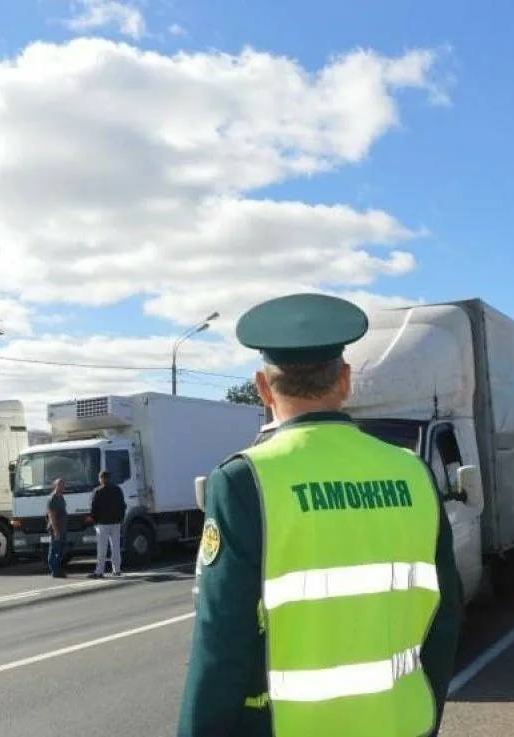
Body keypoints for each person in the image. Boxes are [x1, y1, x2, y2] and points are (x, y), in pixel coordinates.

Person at [177, 293, 462, 737]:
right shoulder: (414, 472)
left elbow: (222, 643)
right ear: (345, 380)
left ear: (262, 387)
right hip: (403, 723)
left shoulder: (244, 480)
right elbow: (444, 616)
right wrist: (424, 714)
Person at [88, 470, 125, 578]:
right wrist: (120, 519)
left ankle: (99, 571)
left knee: (102, 548)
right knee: (116, 547)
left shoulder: (97, 491)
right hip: (116, 522)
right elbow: (122, 506)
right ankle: (117, 570)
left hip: (102, 523)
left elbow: (93, 508)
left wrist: (95, 521)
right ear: (109, 478)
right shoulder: (117, 490)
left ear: (100, 479)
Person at [46, 478, 68, 578]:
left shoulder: (61, 497)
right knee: (55, 549)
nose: (62, 487)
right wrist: (56, 531)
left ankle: (58, 569)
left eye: (63, 485)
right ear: (55, 486)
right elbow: (52, 516)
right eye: (60, 485)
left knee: (61, 550)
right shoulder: (53, 498)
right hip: (56, 528)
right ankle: (54, 571)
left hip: (62, 528)